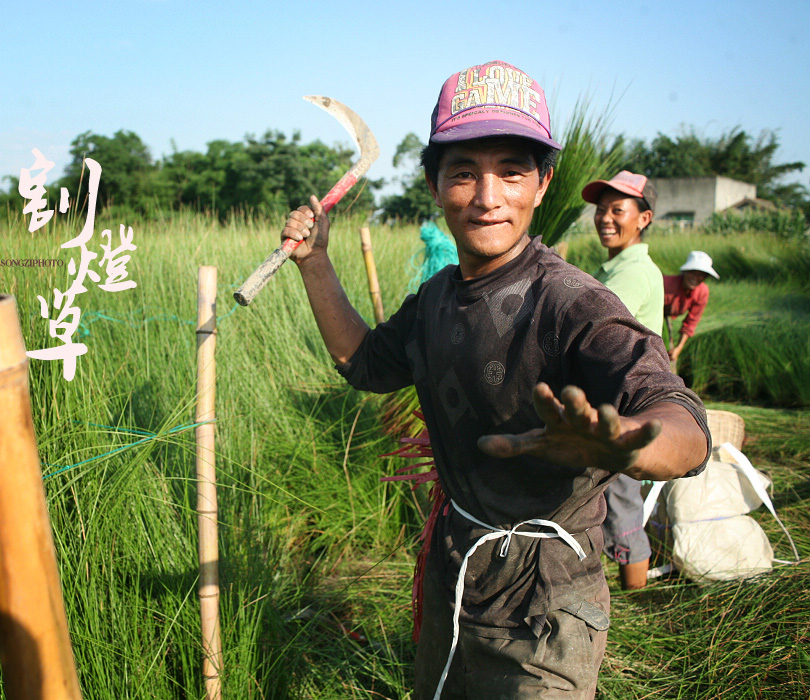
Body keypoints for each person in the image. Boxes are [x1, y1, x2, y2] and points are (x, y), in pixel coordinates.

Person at [278, 59, 710, 699]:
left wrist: (633, 444)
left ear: (542, 184)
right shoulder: (434, 302)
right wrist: (315, 264)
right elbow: (365, 364)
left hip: (549, 602)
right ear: (433, 183)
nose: (487, 197)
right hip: (456, 573)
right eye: (463, 173)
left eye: (511, 172)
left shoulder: (572, 304)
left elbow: (682, 419)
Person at [581, 170, 663, 591]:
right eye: (600, 210)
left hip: (625, 407)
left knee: (622, 503)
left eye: (618, 210)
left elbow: (591, 333)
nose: (605, 218)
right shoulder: (614, 268)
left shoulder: (631, 274)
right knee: (614, 499)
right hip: (612, 402)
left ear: (643, 218)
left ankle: (637, 599)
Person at [664, 251, 720, 364]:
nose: (695, 278)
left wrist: (678, 348)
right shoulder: (666, 284)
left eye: (701, 274)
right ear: (685, 272)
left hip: (666, 318)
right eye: (692, 272)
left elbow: (691, 322)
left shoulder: (702, 292)